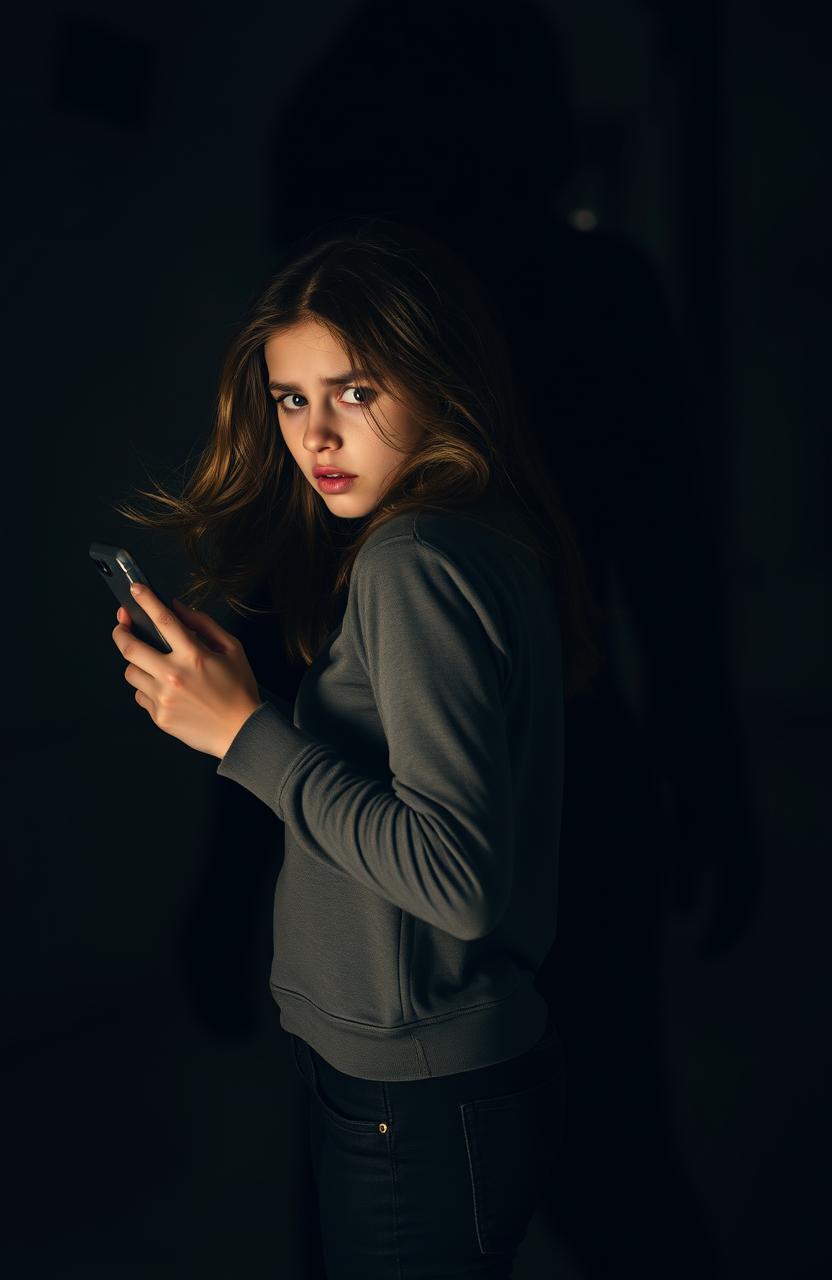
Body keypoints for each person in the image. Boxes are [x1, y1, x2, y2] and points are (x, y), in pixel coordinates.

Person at [109, 216, 601, 1277]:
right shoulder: (462, 529)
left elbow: (457, 876)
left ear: (438, 381)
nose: (317, 434)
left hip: (416, 1101)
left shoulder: (414, 558)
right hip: (433, 1082)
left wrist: (244, 732)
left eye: (356, 390)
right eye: (293, 397)